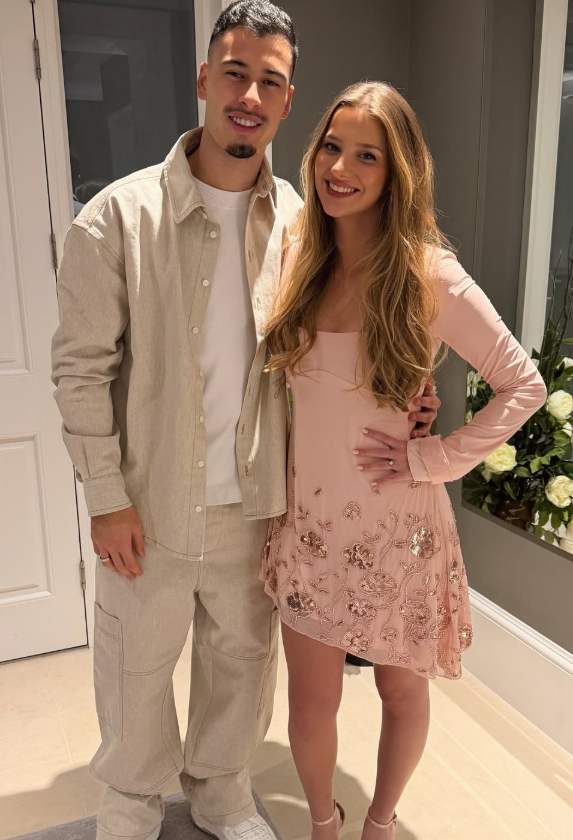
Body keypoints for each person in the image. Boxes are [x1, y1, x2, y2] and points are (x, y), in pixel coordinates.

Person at [51, 4, 439, 839]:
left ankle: (222, 790)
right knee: (134, 666)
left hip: (259, 506)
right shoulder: (116, 219)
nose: (249, 95)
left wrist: (406, 396)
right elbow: (80, 370)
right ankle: (131, 800)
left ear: (288, 99)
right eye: (234, 73)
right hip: (147, 502)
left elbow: (347, 340)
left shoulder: (306, 226)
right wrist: (105, 497)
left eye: (269, 80)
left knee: (240, 665)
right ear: (203, 79)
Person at [262, 81, 547, 840]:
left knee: (400, 692)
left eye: (367, 156)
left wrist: (434, 457)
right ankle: (323, 825)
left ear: (397, 173)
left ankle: (380, 825)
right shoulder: (297, 256)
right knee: (310, 704)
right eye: (332, 147)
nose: (340, 168)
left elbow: (524, 385)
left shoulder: (429, 274)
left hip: (399, 528)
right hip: (311, 525)